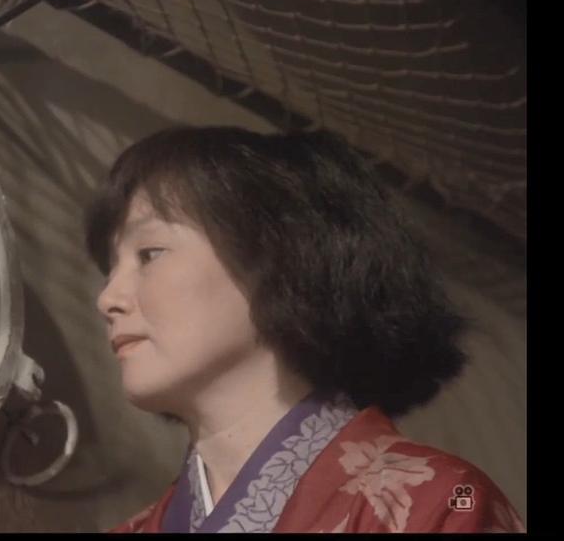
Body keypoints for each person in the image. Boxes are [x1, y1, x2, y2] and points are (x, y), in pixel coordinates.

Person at [86, 127, 525, 533]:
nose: (109, 298)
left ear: (282, 259)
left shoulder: (444, 502)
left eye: (149, 254)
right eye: (110, 269)